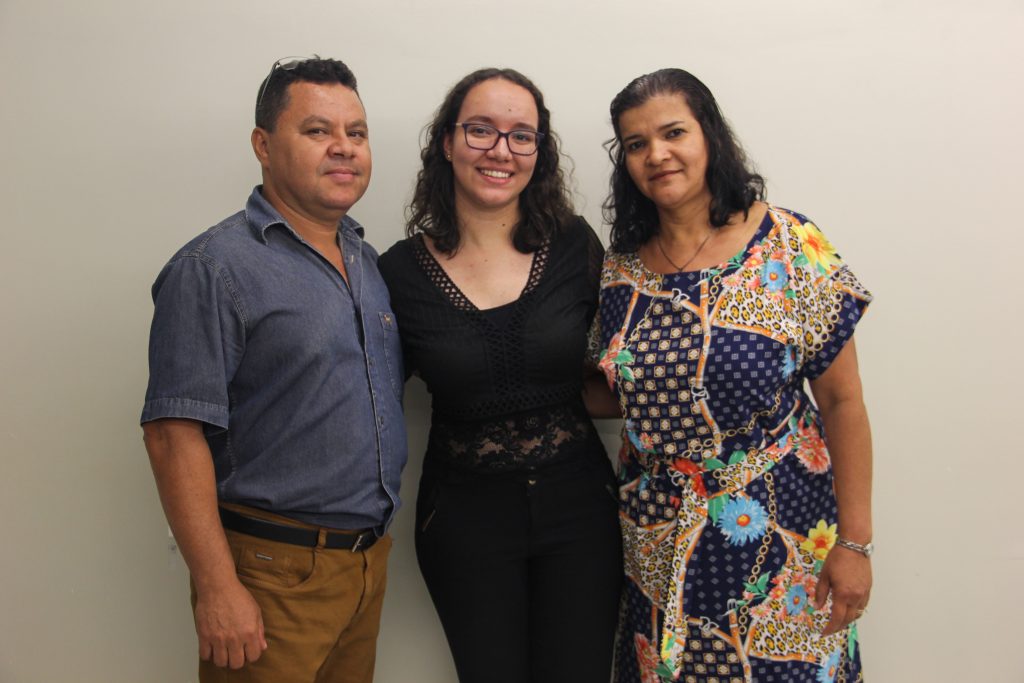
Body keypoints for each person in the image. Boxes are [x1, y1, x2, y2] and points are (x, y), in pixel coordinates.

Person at [590, 68, 873, 682]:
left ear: (710, 137)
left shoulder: (789, 244)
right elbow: (615, 391)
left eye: (673, 133)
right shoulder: (618, 272)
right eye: (636, 144)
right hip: (658, 535)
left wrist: (855, 544)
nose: (656, 154)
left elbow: (843, 401)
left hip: (781, 532)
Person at [140, 56, 407, 683]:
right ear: (263, 145)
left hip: (364, 564)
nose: (344, 147)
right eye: (317, 131)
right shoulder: (214, 267)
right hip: (270, 572)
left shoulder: (366, 261)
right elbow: (172, 435)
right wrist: (217, 587)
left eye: (357, 132)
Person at [377, 68, 622, 683]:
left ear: (539, 151)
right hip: (463, 522)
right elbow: (368, 402)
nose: (501, 150)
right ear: (448, 142)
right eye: (481, 130)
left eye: (521, 135)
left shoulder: (575, 246)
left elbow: (627, 364)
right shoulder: (396, 273)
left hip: (581, 514)